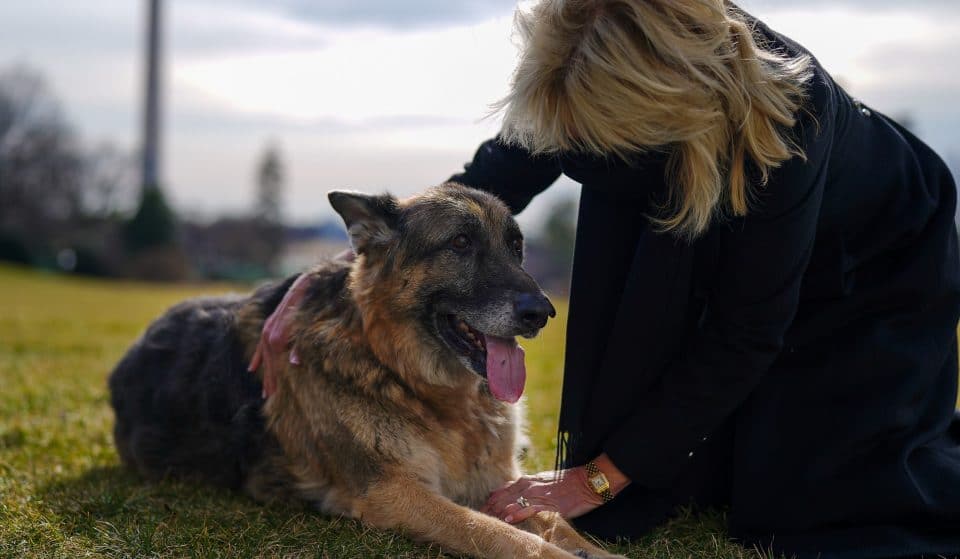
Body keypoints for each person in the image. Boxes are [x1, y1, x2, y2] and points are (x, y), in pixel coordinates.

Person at [250, 1, 960, 557]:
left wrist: (594, 478)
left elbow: (747, 329)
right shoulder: (580, 49)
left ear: (660, 110)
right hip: (724, 212)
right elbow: (478, 186)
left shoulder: (787, 125)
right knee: (687, 483)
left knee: (812, 505)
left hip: (874, 256)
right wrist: (341, 272)